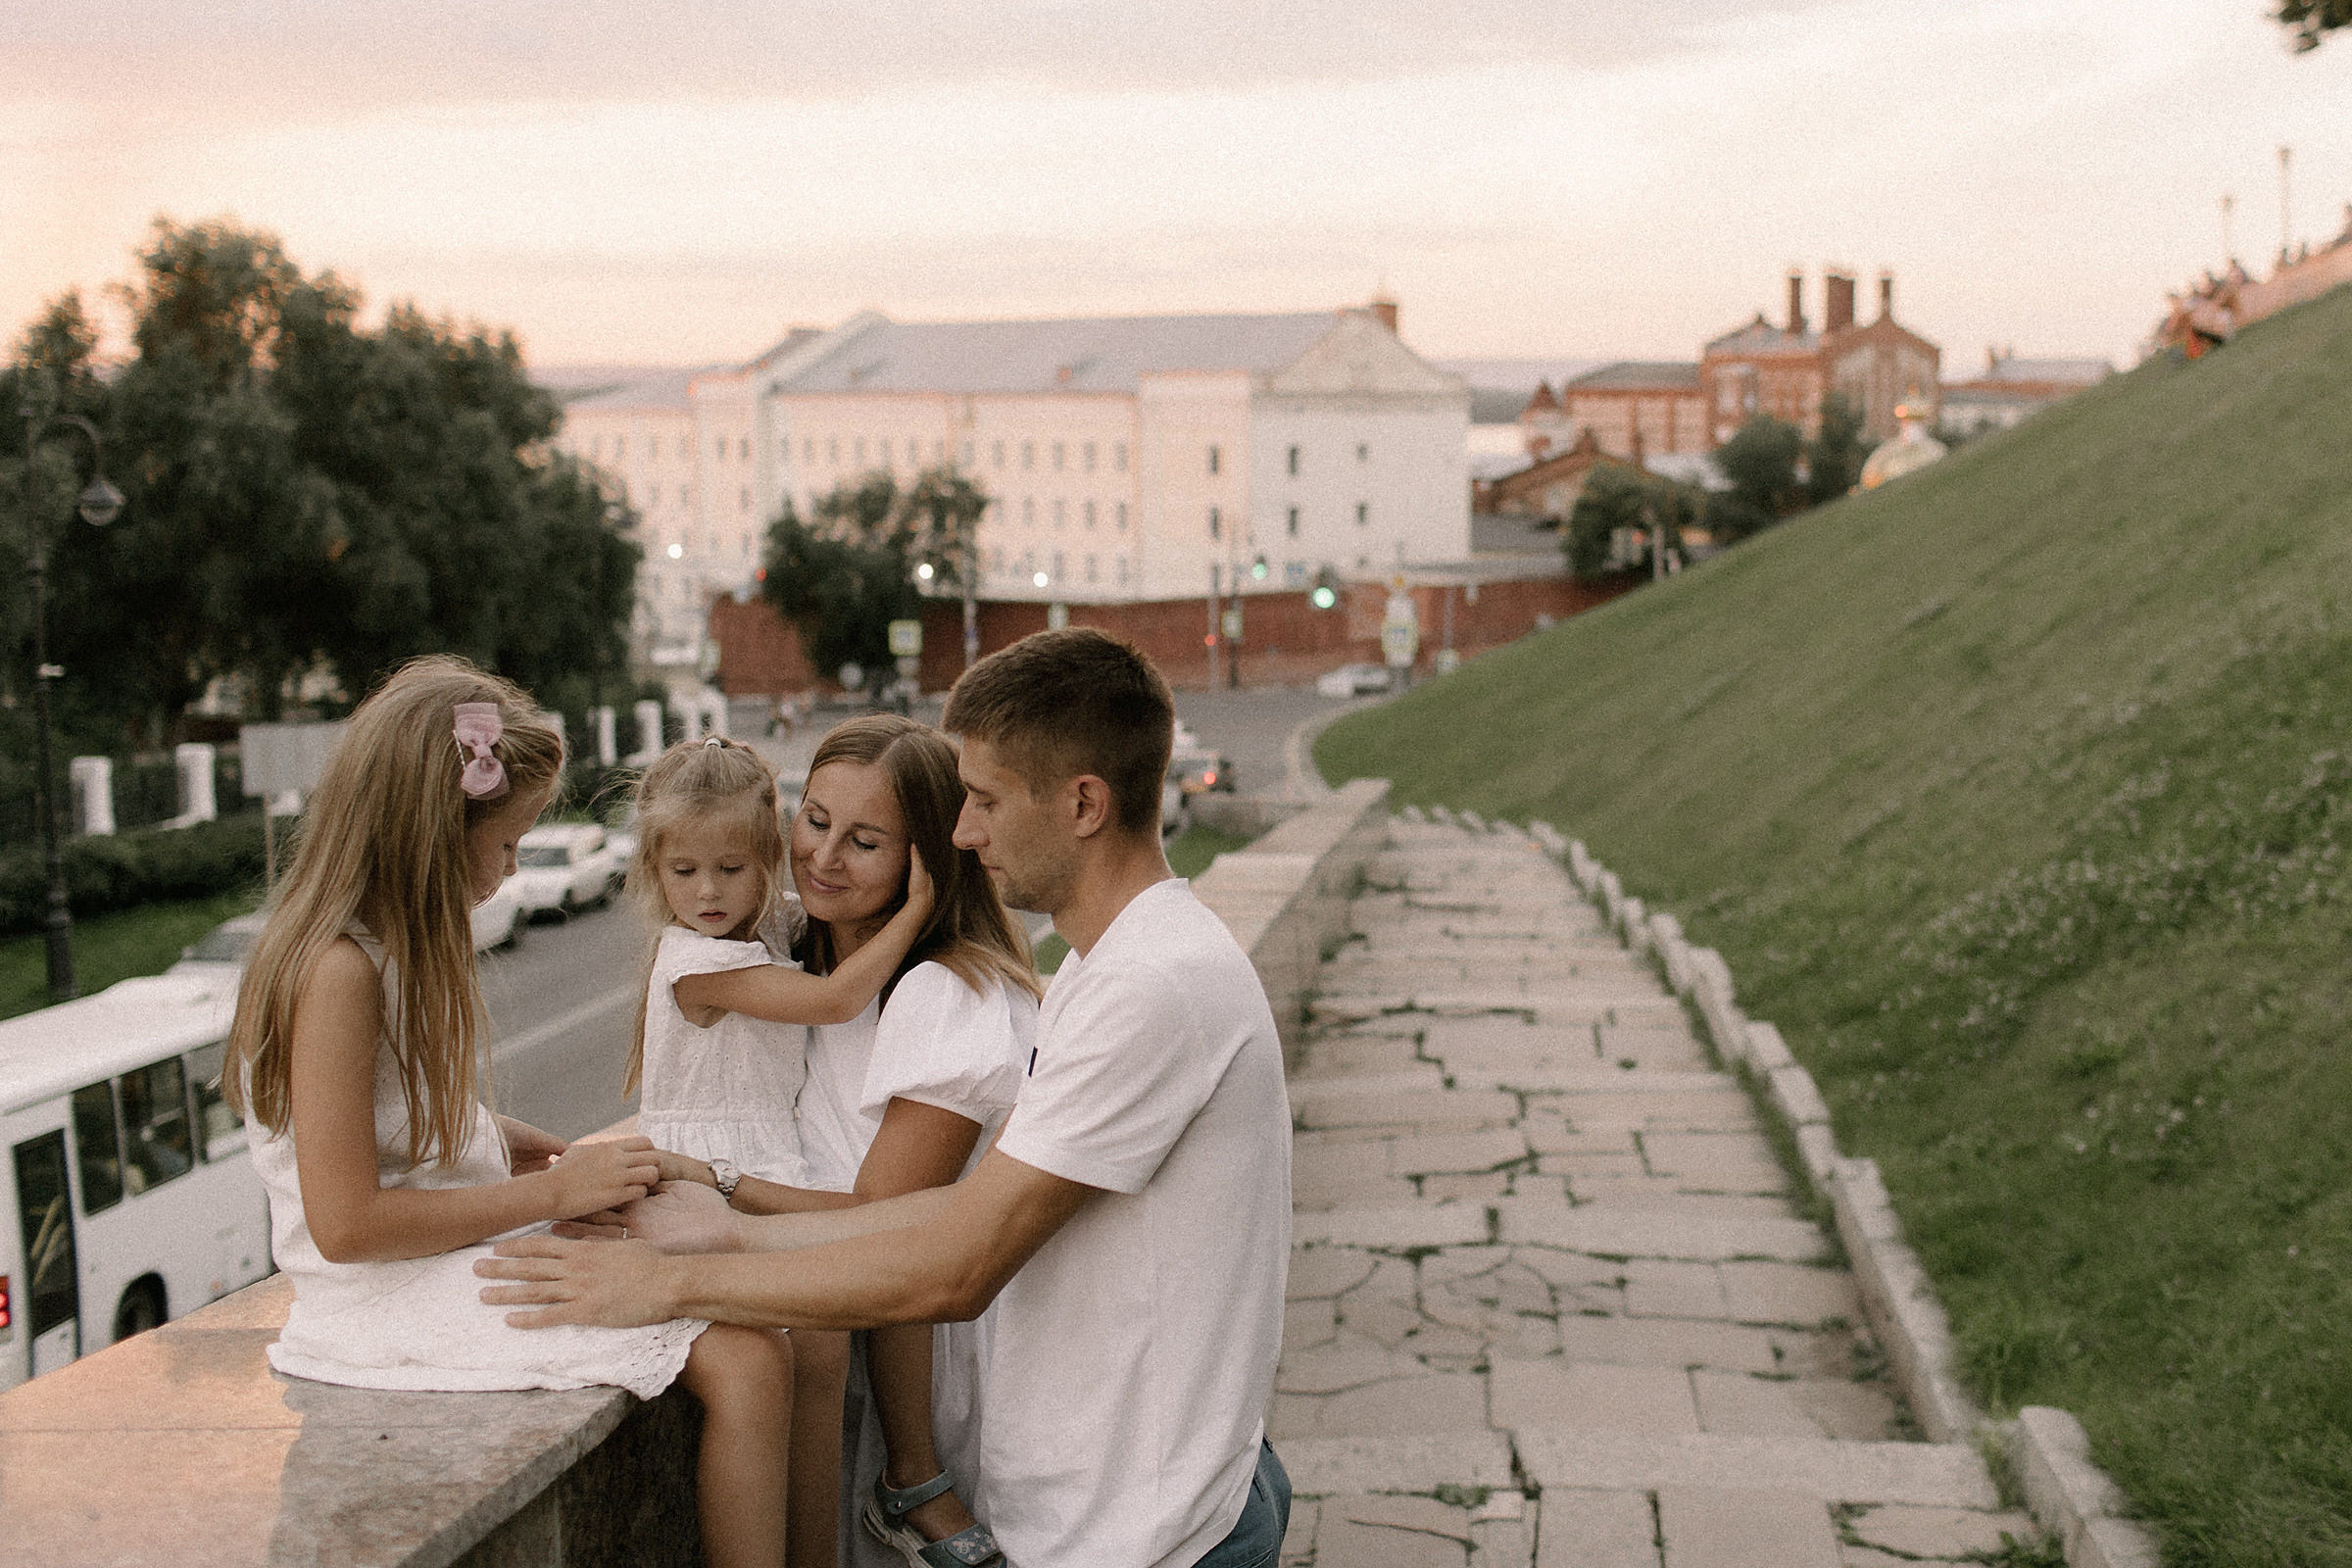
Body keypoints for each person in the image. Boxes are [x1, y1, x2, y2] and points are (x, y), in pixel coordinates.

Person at [480, 628, 1295, 1568]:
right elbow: (958, 1209)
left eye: (985, 800)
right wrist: (723, 1223)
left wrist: (670, 1280)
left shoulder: (1149, 988)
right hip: (1120, 1507)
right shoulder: (1104, 967)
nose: (964, 833)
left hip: (1149, 1532)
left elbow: (955, 1266)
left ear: (1084, 804)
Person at [227, 656, 793, 1568]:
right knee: (749, 1359)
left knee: (732, 1285)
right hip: (381, 1298)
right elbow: (346, 1223)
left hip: (438, 1258)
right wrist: (551, 1195)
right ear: (432, 835)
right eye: (506, 843)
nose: (512, 867)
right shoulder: (337, 971)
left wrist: (497, 1140)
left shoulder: (385, 946)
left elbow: (381, 1122)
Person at [654, 714, 1042, 1568]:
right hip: (819, 1296)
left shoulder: (942, 995)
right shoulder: (788, 948)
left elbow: (887, 1223)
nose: (824, 857)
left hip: (911, 1343)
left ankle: (916, 1479)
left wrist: (716, 1179)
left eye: (864, 842)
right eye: (815, 820)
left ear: (923, 863)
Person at [622, 730, 938, 1565]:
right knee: (785, 1345)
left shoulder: (765, 932)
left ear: (765, 857)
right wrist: (918, 907)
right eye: (684, 870)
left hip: (771, 1165)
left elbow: (833, 923)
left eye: (731, 867)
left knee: (825, 1349)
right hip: (703, 1182)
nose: (708, 891)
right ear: (654, 869)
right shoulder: (692, 961)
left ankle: (815, 1551)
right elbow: (835, 999)